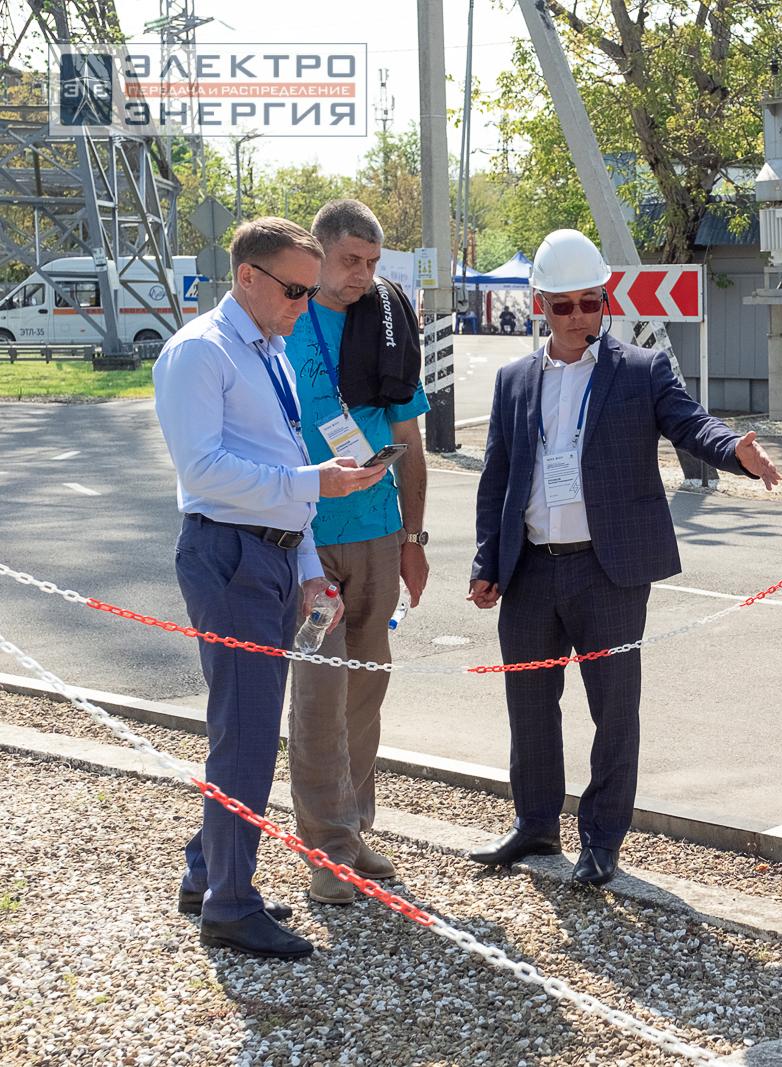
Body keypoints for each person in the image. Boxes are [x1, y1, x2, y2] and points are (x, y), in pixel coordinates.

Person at [466, 229, 781, 886]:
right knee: (528, 701)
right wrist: (485, 563)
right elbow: (497, 477)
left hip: (607, 570)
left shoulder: (641, 372)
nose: (581, 316)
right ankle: (534, 823)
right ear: (539, 305)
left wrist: (735, 452)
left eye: (592, 303)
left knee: (612, 708)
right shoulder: (514, 381)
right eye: (565, 306)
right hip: (528, 569)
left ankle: (602, 839)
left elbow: (692, 423)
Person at [153, 217, 389, 959]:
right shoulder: (201, 352)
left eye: (308, 289)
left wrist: (310, 563)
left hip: (273, 554)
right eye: (294, 288)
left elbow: (286, 469)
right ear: (248, 277)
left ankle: (207, 872)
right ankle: (230, 903)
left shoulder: (272, 351)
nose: (303, 302)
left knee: (248, 725)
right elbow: (204, 474)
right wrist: (309, 483)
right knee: (247, 732)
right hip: (229, 554)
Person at [282, 199, 430, 905]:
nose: (362, 276)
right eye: (350, 262)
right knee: (317, 696)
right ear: (319, 253)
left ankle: (353, 829)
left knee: (364, 692)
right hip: (305, 539)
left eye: (372, 263)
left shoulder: (389, 317)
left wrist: (414, 538)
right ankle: (326, 850)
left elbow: (413, 441)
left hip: (376, 535)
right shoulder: (284, 318)